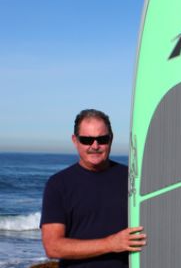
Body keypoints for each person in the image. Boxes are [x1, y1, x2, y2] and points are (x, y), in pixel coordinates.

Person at [40, 109, 146, 268]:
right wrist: (111, 244)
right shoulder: (58, 184)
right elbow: (53, 247)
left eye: (102, 139)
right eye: (86, 140)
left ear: (111, 139)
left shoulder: (133, 179)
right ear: (75, 140)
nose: (95, 146)